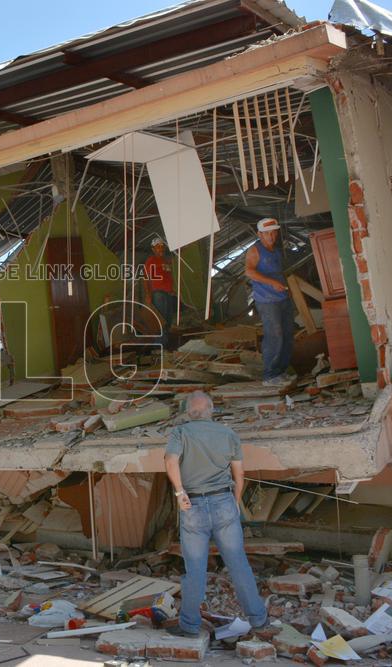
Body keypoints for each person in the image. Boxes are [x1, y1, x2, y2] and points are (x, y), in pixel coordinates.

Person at [164, 391, 268, 638]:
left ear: (189, 412)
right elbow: (239, 474)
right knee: (238, 564)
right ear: (211, 409)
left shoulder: (180, 433)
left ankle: (189, 626)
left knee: (195, 568)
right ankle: (258, 620)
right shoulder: (228, 434)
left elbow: (170, 460)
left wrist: (179, 492)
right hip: (224, 502)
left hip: (193, 505)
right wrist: (235, 501)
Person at [244, 218, 295, 386]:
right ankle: (270, 375)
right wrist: (272, 283)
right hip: (267, 300)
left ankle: (281, 371)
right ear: (259, 234)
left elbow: (279, 273)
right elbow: (249, 272)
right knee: (275, 335)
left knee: (287, 334)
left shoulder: (276, 251)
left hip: (282, 297)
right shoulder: (255, 250)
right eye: (267, 233)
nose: (271, 236)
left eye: (273, 232)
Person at [144, 237, 175, 344]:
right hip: (158, 294)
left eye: (162, 246)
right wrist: (148, 295)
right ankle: (159, 345)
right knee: (160, 320)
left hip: (168, 293)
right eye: (158, 247)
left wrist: (174, 290)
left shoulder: (166, 261)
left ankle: (165, 343)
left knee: (168, 319)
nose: (161, 249)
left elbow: (170, 276)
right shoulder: (151, 261)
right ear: (153, 249)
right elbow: (146, 278)